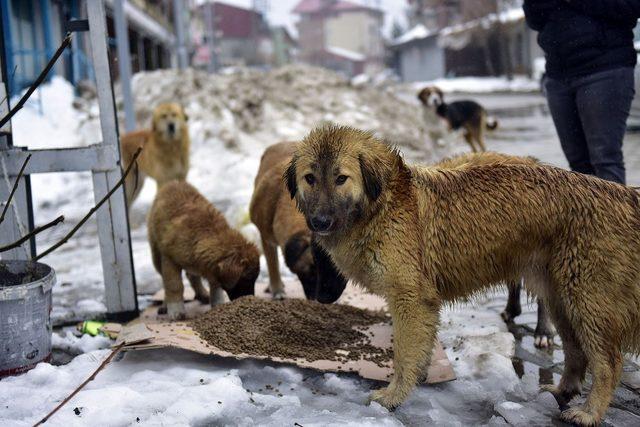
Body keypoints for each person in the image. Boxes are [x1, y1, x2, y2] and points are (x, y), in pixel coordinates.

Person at [523, 0, 640, 185]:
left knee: (604, 159)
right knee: (578, 165)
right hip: (558, 73)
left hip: (604, 69)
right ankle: (588, 213)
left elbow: (631, 8)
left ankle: (615, 214)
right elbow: (534, 20)